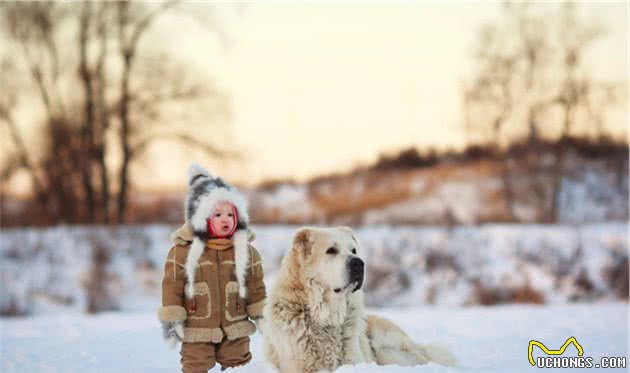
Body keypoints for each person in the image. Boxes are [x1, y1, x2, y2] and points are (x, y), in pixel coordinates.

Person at [158, 163, 266, 372]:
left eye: (230, 215)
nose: (225, 219)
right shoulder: (182, 252)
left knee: (238, 362)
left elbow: (255, 286)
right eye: (217, 215)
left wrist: (261, 313)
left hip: (235, 324)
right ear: (202, 218)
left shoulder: (247, 253)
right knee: (195, 364)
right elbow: (172, 286)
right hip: (196, 327)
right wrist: (172, 318)